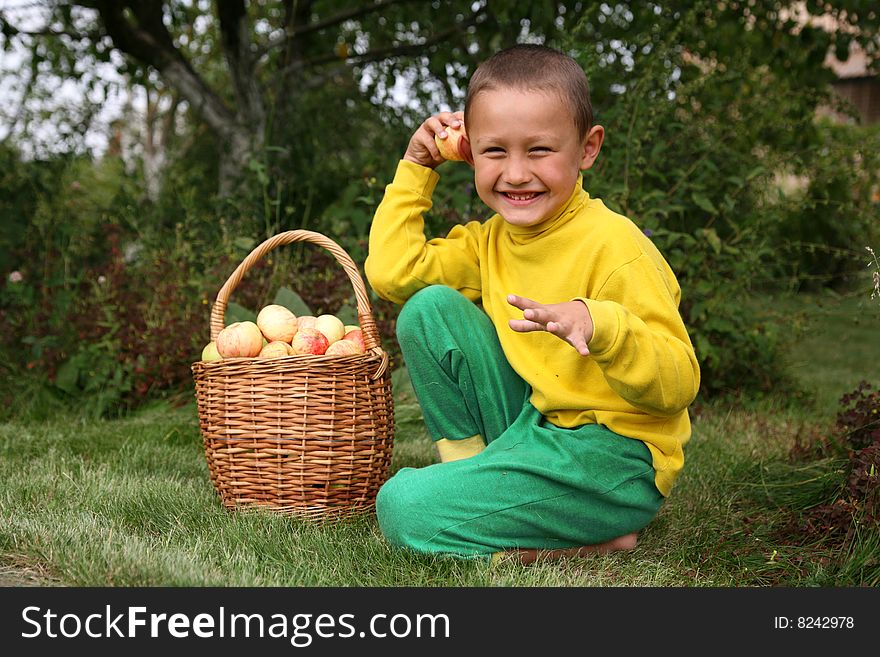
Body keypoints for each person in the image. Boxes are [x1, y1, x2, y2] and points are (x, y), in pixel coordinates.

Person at [364, 43, 700, 564]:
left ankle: (557, 543)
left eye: (539, 150)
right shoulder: (490, 241)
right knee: (428, 309)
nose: (516, 174)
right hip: (535, 426)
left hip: (614, 460)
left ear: (587, 149)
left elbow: (680, 381)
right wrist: (415, 166)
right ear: (468, 151)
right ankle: (475, 480)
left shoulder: (617, 248)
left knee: (403, 507)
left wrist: (600, 324)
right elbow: (394, 274)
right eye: (495, 151)